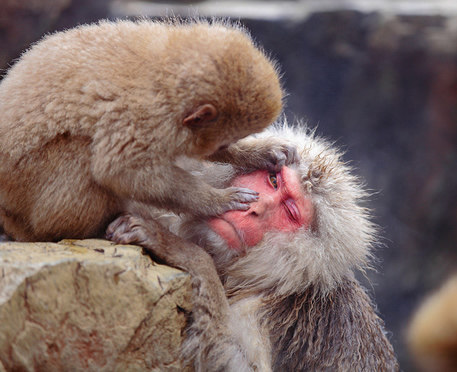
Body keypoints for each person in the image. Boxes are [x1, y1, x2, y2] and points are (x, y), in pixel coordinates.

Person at [109, 122, 400, 371]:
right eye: (272, 180)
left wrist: (193, 260)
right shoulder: (199, 187)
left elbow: (225, 359)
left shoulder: (276, 302)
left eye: (290, 211)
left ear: (308, 250)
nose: (258, 206)